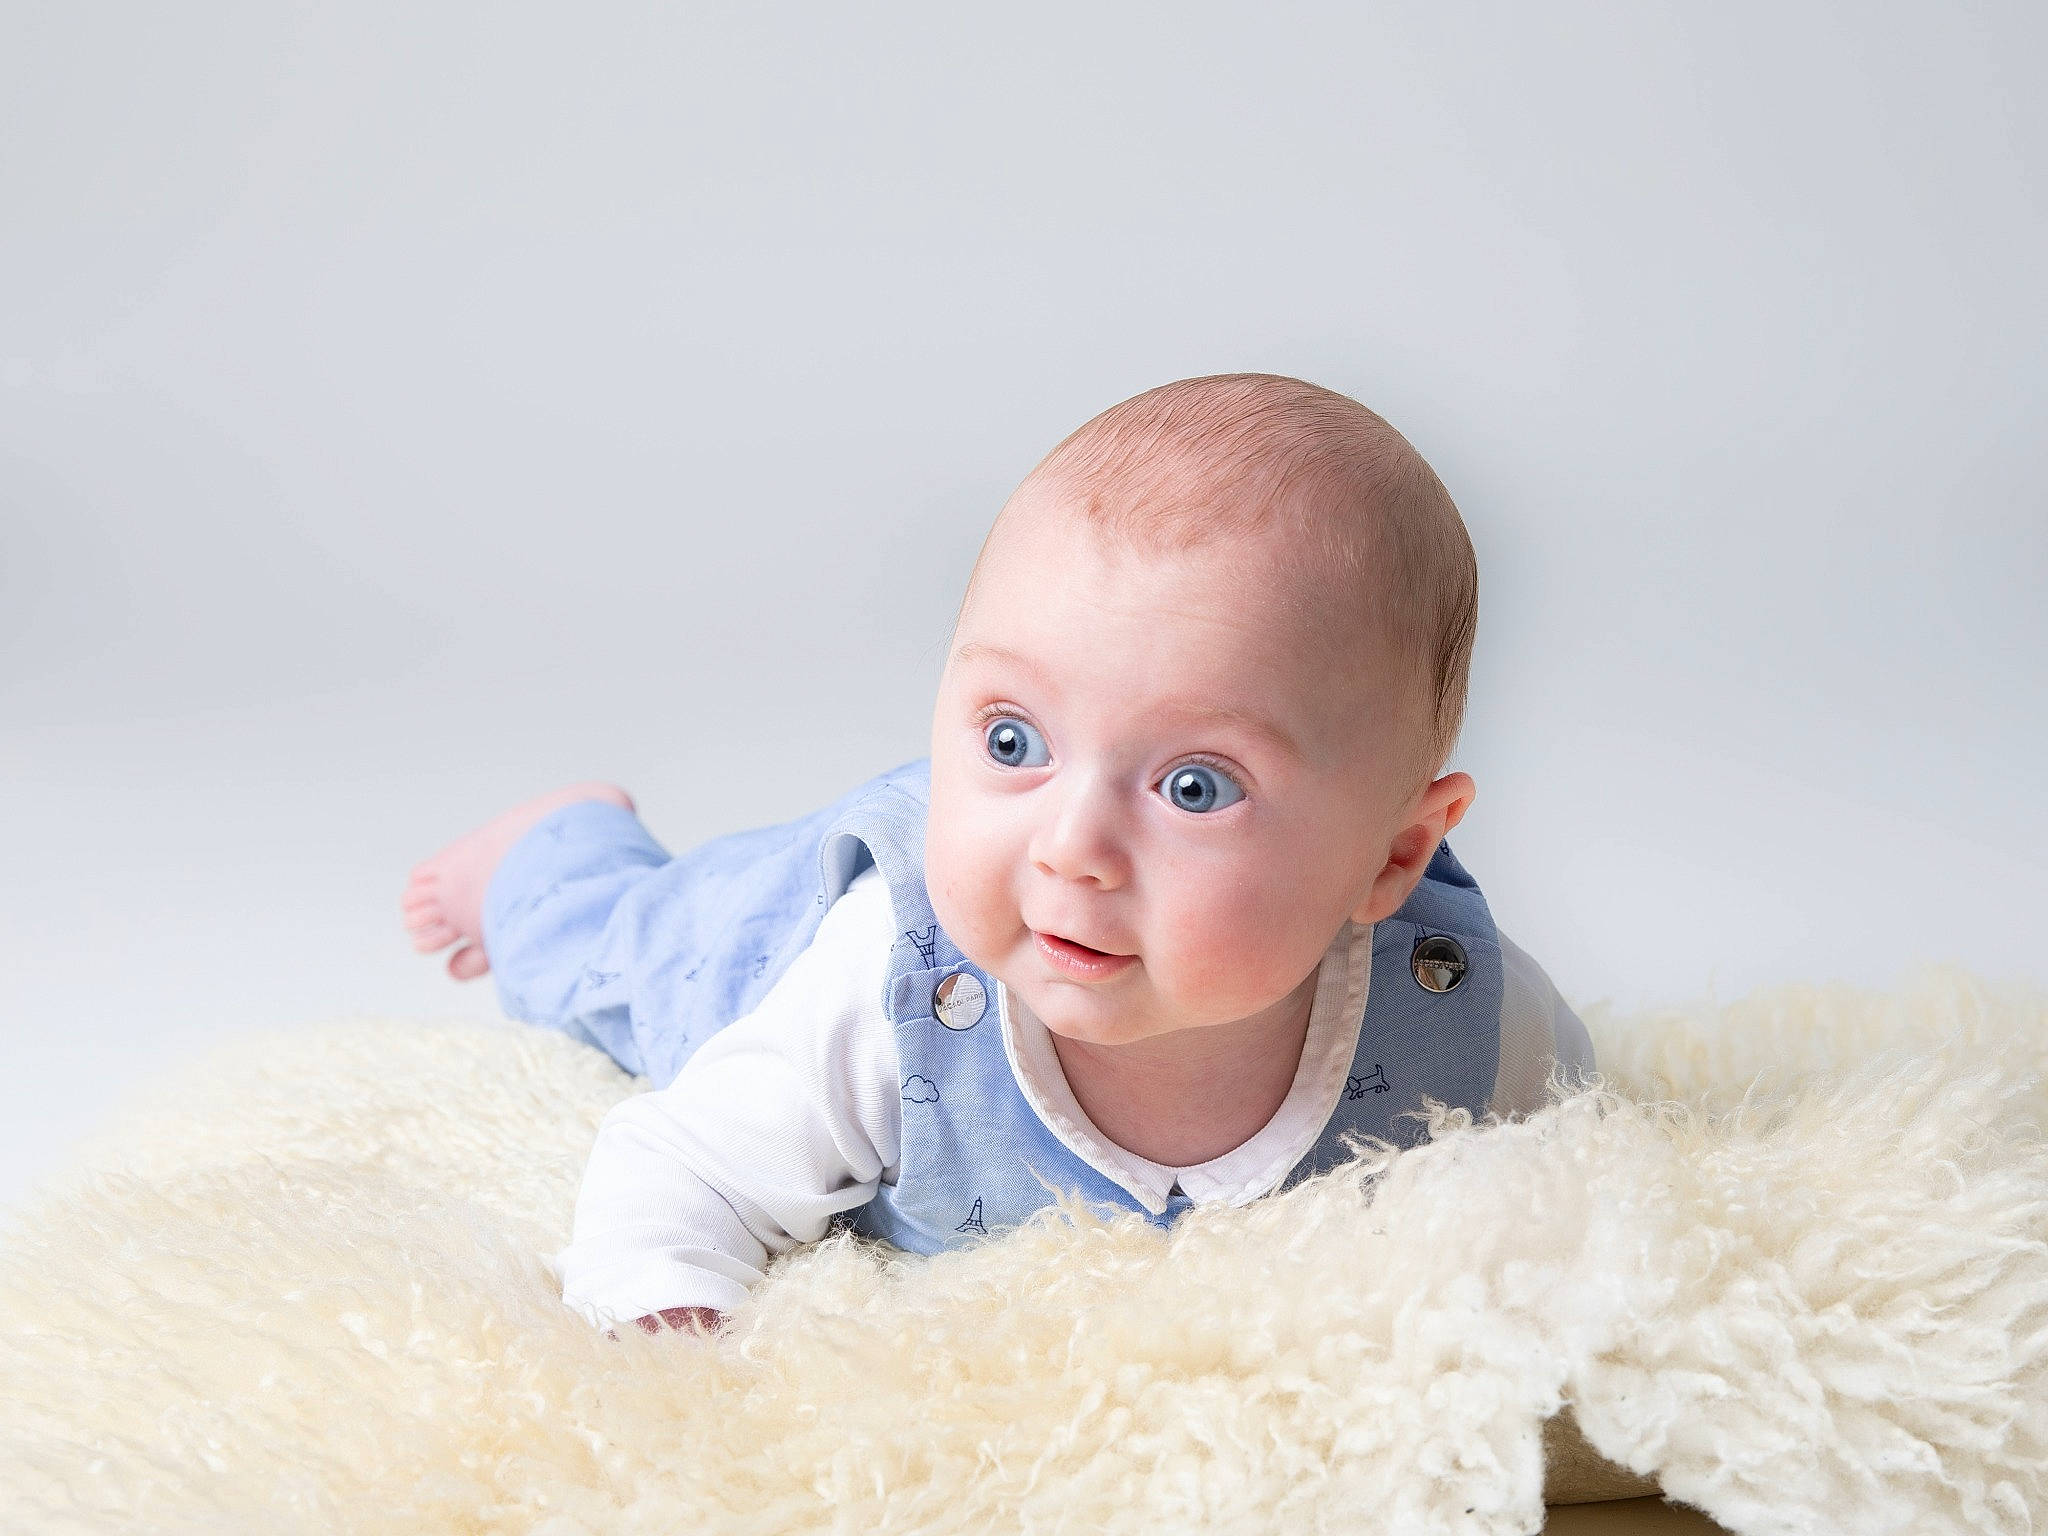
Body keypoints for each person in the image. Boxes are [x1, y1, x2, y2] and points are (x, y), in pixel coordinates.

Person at [400, 373, 1597, 1340]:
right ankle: (548, 846)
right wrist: (668, 1318)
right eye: (1012, 736)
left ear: (1389, 858)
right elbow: (683, 1169)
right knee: (624, 958)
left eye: (1194, 787)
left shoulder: (1468, 1015)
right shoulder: (886, 989)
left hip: (989, 871)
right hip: (791, 934)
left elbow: (1587, 1172)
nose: (1072, 848)